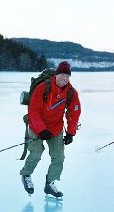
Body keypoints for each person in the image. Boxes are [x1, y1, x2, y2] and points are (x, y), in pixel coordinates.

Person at [20, 61, 81, 197]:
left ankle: (50, 184)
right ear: (56, 74)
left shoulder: (71, 92)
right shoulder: (43, 87)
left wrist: (71, 132)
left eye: (67, 76)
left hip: (55, 128)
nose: (64, 79)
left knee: (58, 157)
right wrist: (41, 129)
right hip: (37, 127)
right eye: (61, 75)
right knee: (36, 153)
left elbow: (73, 113)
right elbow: (33, 111)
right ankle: (26, 175)